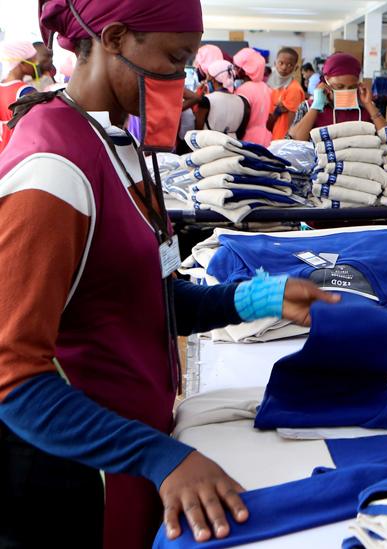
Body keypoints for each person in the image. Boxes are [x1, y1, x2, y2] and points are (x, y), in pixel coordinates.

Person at [0, 0, 339, 547]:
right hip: (78, 477)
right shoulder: (51, 172)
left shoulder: (116, 144)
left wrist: (255, 299)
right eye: (174, 57)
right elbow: (13, 380)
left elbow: (140, 297)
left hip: (132, 449)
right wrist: (158, 456)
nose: (180, 81)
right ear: (113, 39)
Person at [289, 52, 386, 141]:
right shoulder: (307, 107)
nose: (346, 91)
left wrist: (369, 105)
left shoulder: (365, 108)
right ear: (326, 81)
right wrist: (316, 106)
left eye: (352, 87)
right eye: (339, 87)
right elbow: (296, 139)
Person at [195, 59, 250, 139]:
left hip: (207, 147)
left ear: (212, 79)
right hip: (231, 147)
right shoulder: (243, 101)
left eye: (208, 77)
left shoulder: (207, 100)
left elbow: (197, 131)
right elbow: (241, 133)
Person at [0, 41, 39, 152]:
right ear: (22, 63)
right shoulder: (26, 92)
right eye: (33, 60)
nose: (36, 64)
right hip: (16, 159)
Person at [233, 47, 273, 146]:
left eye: (236, 67)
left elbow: (241, 120)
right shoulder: (266, 87)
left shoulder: (243, 90)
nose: (235, 70)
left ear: (245, 69)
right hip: (267, 138)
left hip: (248, 139)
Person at [266, 47, 304, 141]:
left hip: (283, 139)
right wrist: (277, 111)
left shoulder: (293, 89)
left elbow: (292, 123)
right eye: (281, 63)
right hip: (272, 136)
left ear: (296, 68)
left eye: (289, 65)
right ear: (275, 63)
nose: (284, 67)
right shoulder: (272, 86)